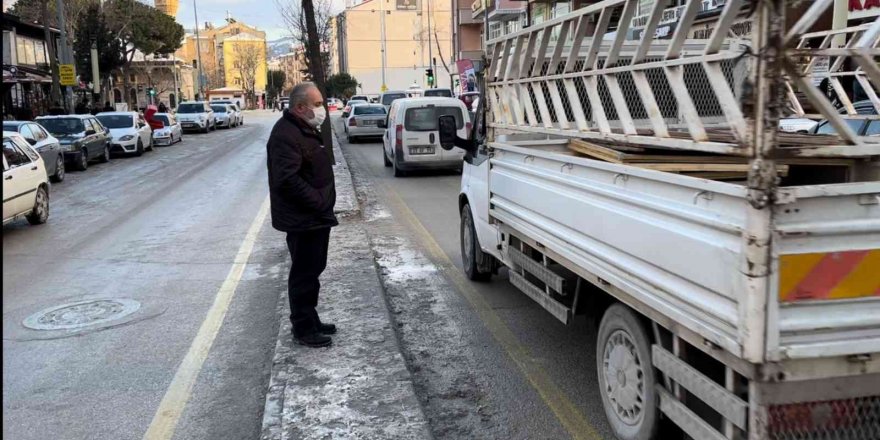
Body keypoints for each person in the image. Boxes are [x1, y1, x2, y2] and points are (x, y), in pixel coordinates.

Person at [266, 82, 337, 348]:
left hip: (314, 216)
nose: (323, 110)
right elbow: (287, 179)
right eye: (317, 105)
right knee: (304, 273)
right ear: (299, 107)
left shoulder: (304, 129)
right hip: (304, 218)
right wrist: (318, 201)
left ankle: (311, 318)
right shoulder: (286, 134)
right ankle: (304, 328)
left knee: (313, 268)